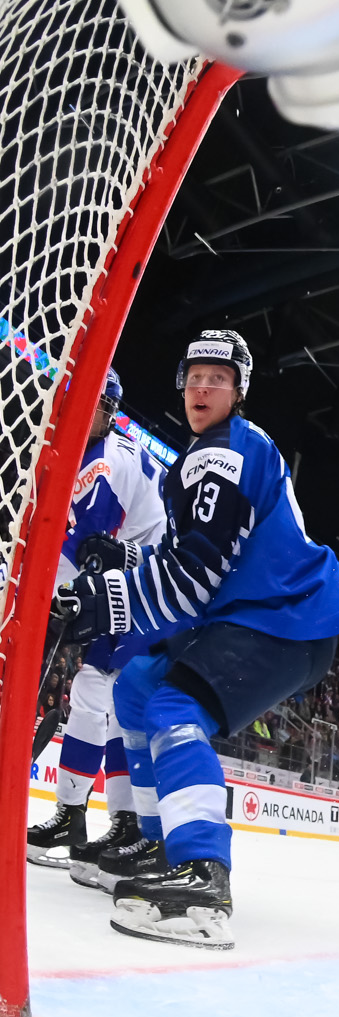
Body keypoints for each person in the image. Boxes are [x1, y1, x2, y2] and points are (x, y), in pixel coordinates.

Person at [57, 331, 339, 949]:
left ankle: (202, 870)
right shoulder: (206, 456)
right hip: (252, 612)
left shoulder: (223, 456)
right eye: (194, 376)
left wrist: (109, 599)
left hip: (283, 617)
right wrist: (125, 563)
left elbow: (193, 576)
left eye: (218, 377)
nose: (202, 387)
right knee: (135, 686)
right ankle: (156, 837)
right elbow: (176, 555)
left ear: (239, 389)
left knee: (172, 706)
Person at [25, 369, 166, 873]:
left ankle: (126, 826)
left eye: (95, 405)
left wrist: (48, 601)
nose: (84, 413)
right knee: (97, 696)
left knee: (115, 699)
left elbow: (87, 544)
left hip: (148, 585)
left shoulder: (107, 462)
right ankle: (83, 819)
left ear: (109, 409)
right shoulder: (73, 452)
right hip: (120, 583)